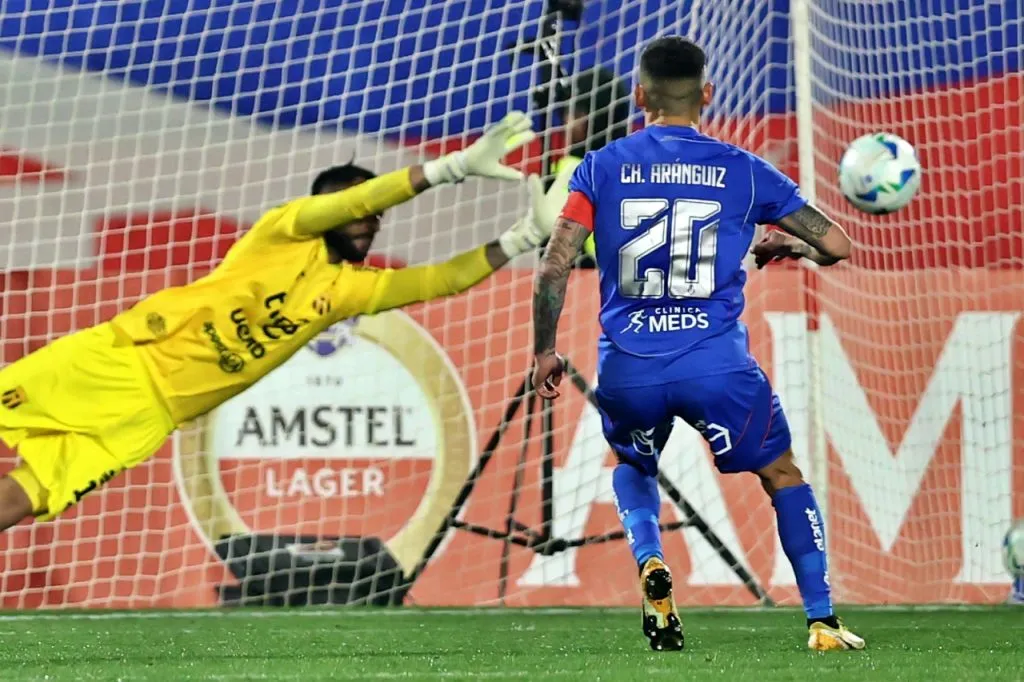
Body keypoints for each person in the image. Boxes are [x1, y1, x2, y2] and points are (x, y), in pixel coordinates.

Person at [0, 112, 558, 530]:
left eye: (377, 215)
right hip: (120, 361)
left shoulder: (349, 290)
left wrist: (522, 238)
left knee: (26, 496)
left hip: (149, 416)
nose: (369, 220)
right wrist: (449, 168)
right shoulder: (282, 230)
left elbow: (442, 280)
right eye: (359, 209)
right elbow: (354, 200)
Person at [530, 38, 863, 652]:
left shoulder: (600, 166)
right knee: (781, 473)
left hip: (629, 366)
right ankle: (822, 621)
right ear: (707, 94)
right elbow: (837, 245)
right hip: (716, 365)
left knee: (634, 465)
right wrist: (786, 244)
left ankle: (651, 561)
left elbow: (554, 265)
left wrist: (544, 351)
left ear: (639, 96)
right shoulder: (744, 169)